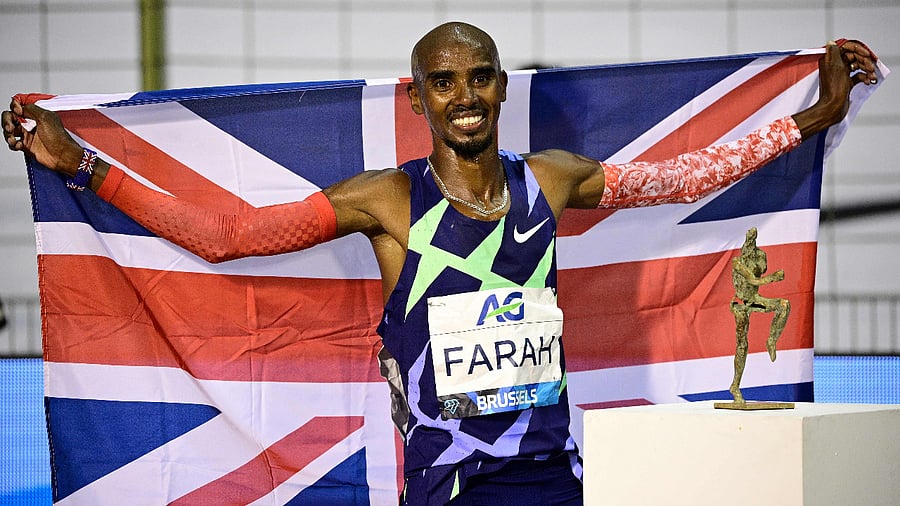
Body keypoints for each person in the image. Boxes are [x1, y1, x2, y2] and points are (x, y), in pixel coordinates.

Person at [2, 22, 878, 505]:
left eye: (481, 78)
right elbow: (226, 234)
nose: (466, 97)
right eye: (445, 82)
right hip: (448, 481)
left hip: (552, 474)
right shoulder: (384, 201)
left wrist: (811, 117)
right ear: (419, 97)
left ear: (502, 87)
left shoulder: (554, 178)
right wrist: (84, 166)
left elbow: (685, 176)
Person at [729, 227, 791, 404]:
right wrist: (774, 278)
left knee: (784, 305)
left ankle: (771, 340)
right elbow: (753, 280)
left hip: (754, 298)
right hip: (741, 303)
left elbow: (761, 270)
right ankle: (735, 385)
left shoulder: (760, 256)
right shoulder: (737, 262)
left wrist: (761, 264)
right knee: (742, 345)